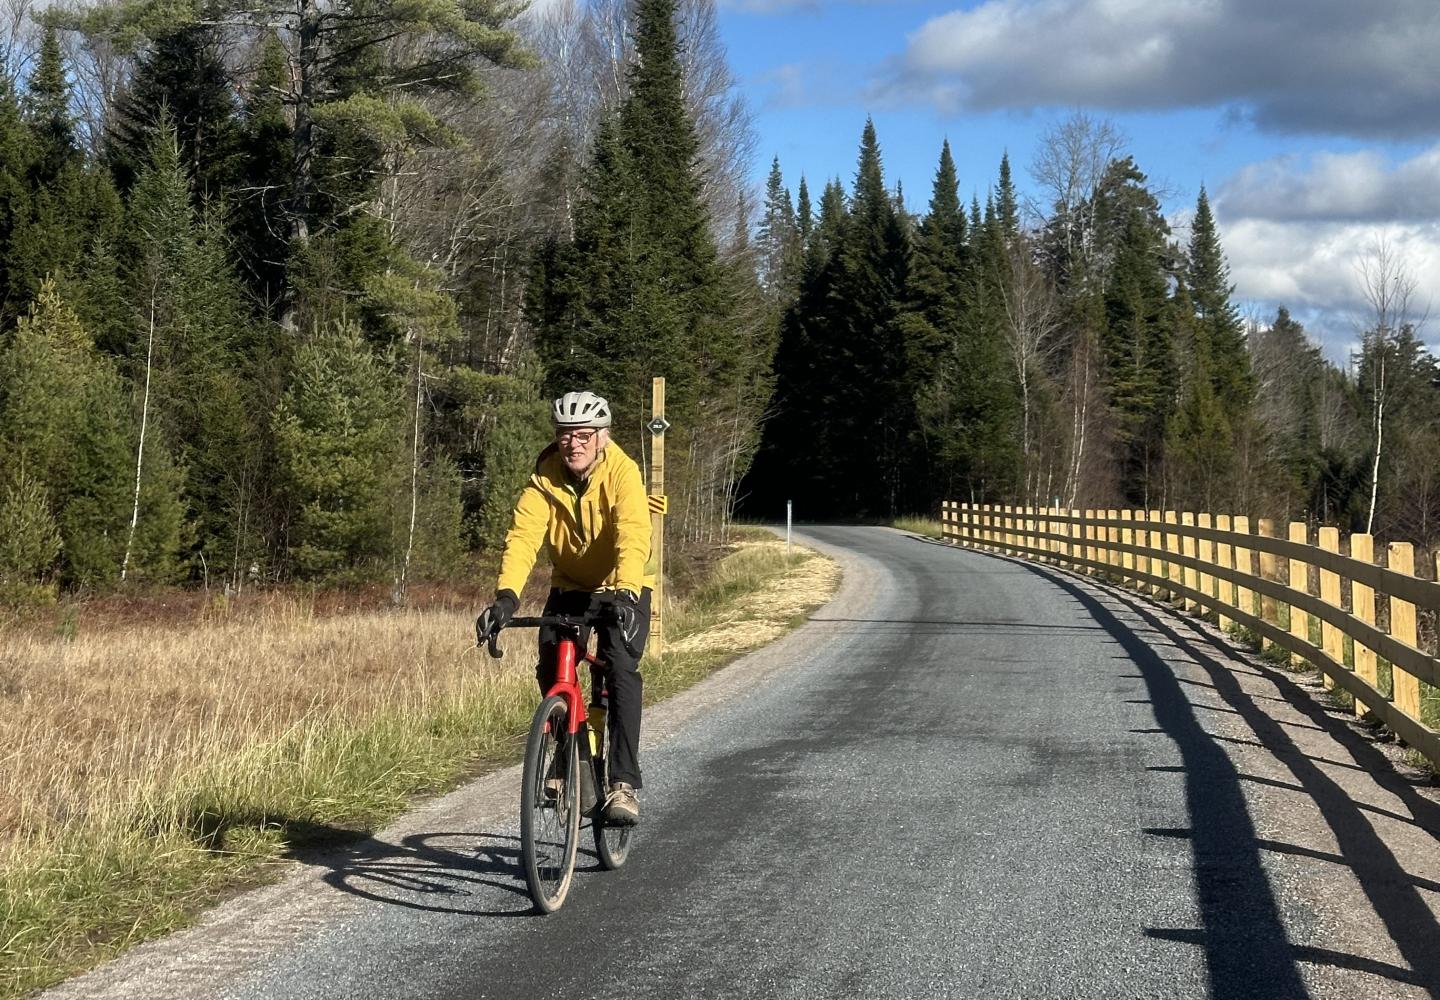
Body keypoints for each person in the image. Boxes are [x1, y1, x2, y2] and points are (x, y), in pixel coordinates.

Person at [477, 390, 654, 825]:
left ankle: (623, 784)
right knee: (550, 662)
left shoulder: (622, 473)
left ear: (602, 437)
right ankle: (568, 755)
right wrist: (506, 596)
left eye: (583, 435)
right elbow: (522, 538)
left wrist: (629, 592)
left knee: (620, 670)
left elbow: (633, 533)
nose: (573, 443)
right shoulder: (545, 477)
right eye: (564, 435)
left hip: (622, 584)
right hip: (571, 584)